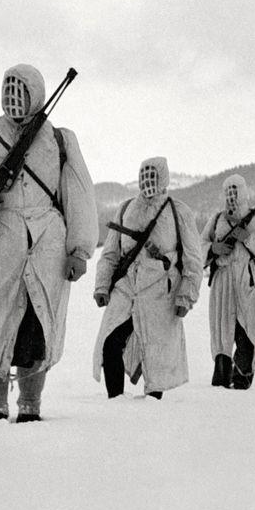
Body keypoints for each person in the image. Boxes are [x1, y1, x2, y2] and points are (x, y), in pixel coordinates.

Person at [0, 64, 97, 425]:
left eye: (21, 88)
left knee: (36, 328)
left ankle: (30, 406)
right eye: (8, 87)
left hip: (46, 250)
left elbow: (78, 196)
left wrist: (79, 249)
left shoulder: (60, 141)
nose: (13, 96)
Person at [92, 157, 203, 398]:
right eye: (144, 175)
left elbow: (194, 259)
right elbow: (110, 253)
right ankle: (115, 399)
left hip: (160, 292)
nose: (147, 181)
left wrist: (186, 296)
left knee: (156, 351)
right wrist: (102, 285)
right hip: (126, 288)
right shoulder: (125, 209)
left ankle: (154, 406)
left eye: (153, 175)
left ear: (163, 178)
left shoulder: (178, 211)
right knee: (110, 342)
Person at [203, 174, 255, 390]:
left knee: (249, 327)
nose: (232, 195)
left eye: (235, 190)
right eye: (228, 191)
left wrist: (247, 238)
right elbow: (198, 249)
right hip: (223, 281)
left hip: (249, 280)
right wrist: (213, 249)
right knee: (223, 330)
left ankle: (243, 375)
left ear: (243, 192)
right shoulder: (216, 219)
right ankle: (222, 379)